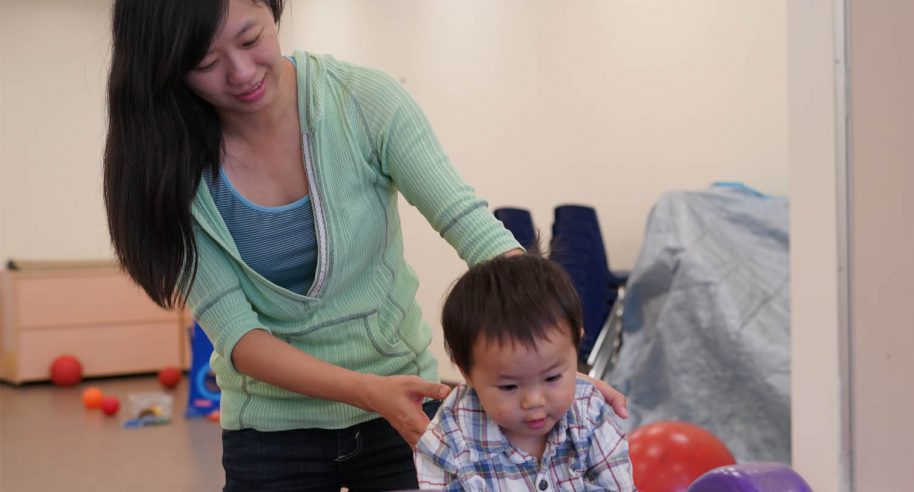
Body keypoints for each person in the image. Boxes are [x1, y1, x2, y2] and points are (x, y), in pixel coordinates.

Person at [103, 0, 627, 490]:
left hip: (401, 409)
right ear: (165, 67)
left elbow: (471, 226)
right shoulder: (168, 169)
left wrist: (553, 362)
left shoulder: (363, 102)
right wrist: (367, 391)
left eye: (250, 38)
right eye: (206, 61)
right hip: (273, 432)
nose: (241, 72)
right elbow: (240, 339)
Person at [416, 255, 636, 490]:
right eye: (509, 386)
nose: (534, 401)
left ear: (576, 347)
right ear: (466, 372)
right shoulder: (448, 438)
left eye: (552, 377)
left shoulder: (590, 412)